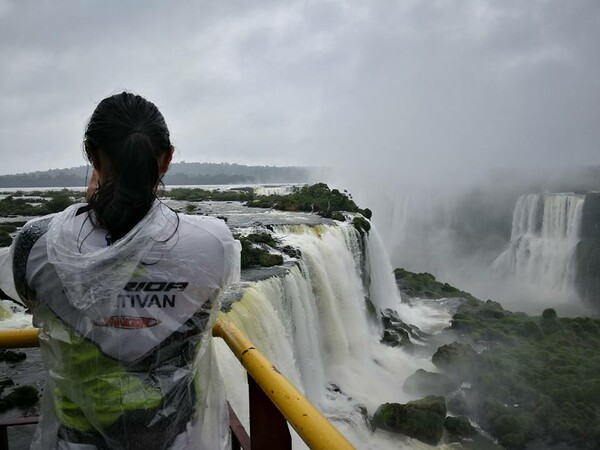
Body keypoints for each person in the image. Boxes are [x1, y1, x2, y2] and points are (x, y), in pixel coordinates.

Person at [11, 92, 241, 449]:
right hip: (181, 438)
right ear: (167, 159)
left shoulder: (38, 243)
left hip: (78, 441)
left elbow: (27, 297)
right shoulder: (215, 242)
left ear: (90, 154)